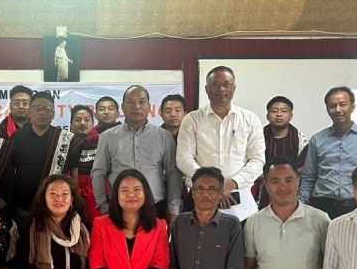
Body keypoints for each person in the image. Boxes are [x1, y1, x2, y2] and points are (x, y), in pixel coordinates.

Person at [177, 66, 265, 221]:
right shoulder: (192, 119)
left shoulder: (250, 119)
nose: (221, 89)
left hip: (241, 204)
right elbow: (183, 158)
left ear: (234, 88)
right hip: (201, 201)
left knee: (240, 244)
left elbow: (258, 160)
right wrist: (211, 184)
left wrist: (231, 184)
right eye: (215, 84)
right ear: (206, 89)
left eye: (226, 84)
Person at [92, 85, 183, 220]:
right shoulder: (107, 137)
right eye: (131, 102)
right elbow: (98, 173)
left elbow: (173, 173)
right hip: (118, 207)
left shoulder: (164, 136)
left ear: (149, 106)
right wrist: (103, 205)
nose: (137, 106)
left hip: (155, 206)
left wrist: (173, 208)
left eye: (142, 101)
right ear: (122, 107)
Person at [300, 87, 357, 219]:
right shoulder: (317, 139)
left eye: (343, 104)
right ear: (327, 110)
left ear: (352, 107)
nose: (338, 110)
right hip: (322, 205)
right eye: (332, 106)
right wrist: (301, 207)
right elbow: (309, 177)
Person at [5, 91, 81, 224]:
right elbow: (9, 170)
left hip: (55, 207)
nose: (42, 112)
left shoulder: (65, 140)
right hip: (21, 206)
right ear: (29, 112)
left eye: (46, 109)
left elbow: (74, 174)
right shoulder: (17, 137)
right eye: (37, 108)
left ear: (53, 113)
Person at [252, 96, 308, 209]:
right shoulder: (256, 137)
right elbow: (249, 161)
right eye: (274, 111)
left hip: (291, 190)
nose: (279, 114)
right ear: (267, 116)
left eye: (284, 111)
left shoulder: (300, 139)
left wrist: (282, 179)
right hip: (262, 189)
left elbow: (303, 166)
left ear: (290, 115)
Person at [69, 104, 100, 225]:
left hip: (95, 197)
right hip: (69, 196)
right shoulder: (66, 143)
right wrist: (73, 192)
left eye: (87, 120)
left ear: (93, 122)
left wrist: (88, 192)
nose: (82, 123)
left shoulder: (103, 142)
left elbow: (106, 172)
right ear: (71, 123)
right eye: (77, 120)